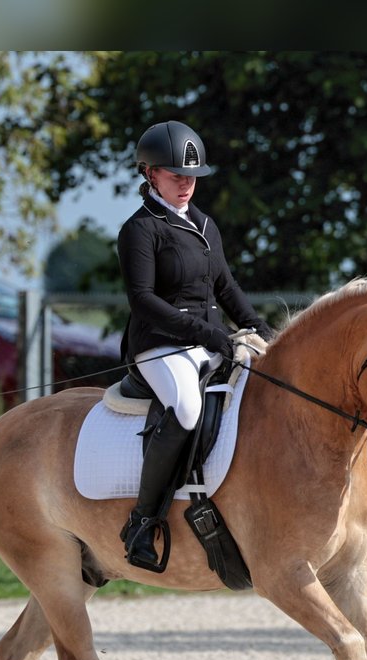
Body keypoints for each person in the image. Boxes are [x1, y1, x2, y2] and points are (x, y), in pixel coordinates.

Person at [116, 120, 274, 571]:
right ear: (150, 175)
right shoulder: (141, 229)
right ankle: (143, 522)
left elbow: (226, 286)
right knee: (186, 409)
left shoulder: (204, 223)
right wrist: (206, 334)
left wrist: (258, 328)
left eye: (191, 176)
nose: (186, 184)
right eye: (175, 175)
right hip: (160, 346)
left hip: (210, 341)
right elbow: (142, 300)